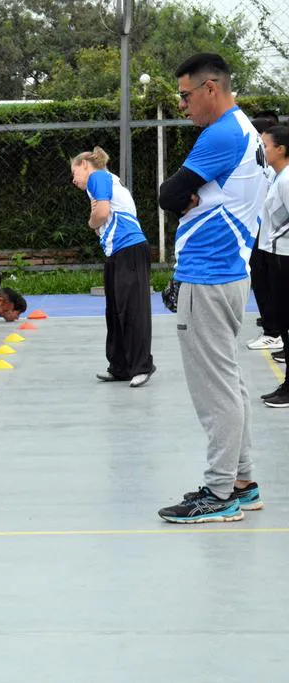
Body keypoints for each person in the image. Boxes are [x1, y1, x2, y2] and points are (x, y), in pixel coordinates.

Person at [156, 53, 266, 523]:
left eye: (185, 95)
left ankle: (219, 493)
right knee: (230, 383)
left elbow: (167, 194)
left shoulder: (220, 133)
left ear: (211, 88)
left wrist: (183, 198)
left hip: (210, 273)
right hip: (228, 272)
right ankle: (241, 483)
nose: (183, 105)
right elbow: (179, 196)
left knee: (215, 389)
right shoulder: (243, 129)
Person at [71, 146, 155, 388]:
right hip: (117, 253)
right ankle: (119, 366)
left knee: (133, 310)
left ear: (86, 164)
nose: (73, 179)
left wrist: (91, 221)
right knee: (115, 311)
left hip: (130, 249)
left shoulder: (97, 177)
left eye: (75, 172)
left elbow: (102, 213)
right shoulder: (103, 183)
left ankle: (142, 366)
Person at [255, 125, 289, 406]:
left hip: (285, 259)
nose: (263, 151)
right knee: (284, 323)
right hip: (276, 256)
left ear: (281, 149)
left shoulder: (288, 179)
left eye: (266, 146)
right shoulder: (279, 177)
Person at [246, 114, 282, 353]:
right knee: (262, 280)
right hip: (262, 232)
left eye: (263, 142)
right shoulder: (266, 168)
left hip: (271, 237)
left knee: (269, 283)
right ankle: (273, 328)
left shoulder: (280, 174)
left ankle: (274, 331)